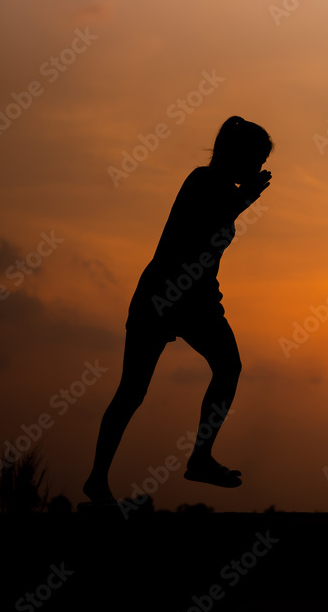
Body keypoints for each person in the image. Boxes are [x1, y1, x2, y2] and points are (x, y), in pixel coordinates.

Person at [83, 116, 273, 505]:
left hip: (199, 299)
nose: (256, 169)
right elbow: (208, 224)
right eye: (254, 159)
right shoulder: (201, 181)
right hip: (163, 296)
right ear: (234, 156)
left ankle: (199, 458)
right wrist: (246, 199)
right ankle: (98, 479)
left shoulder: (223, 190)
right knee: (132, 391)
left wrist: (244, 199)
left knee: (227, 367)